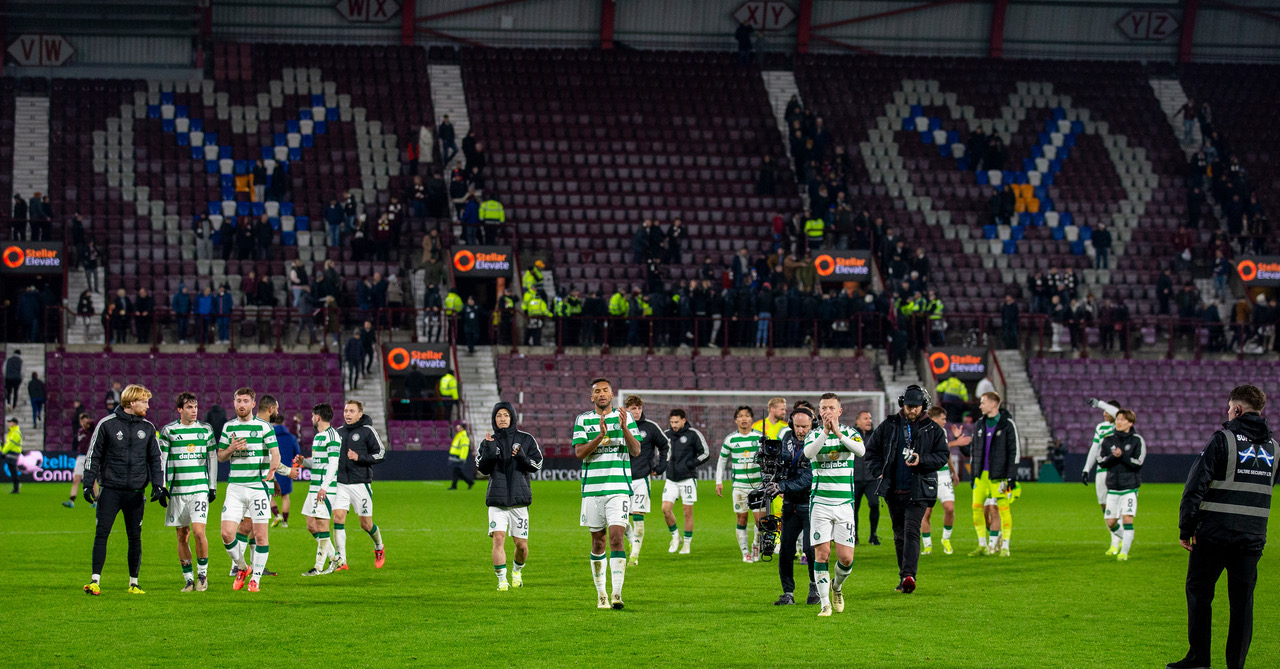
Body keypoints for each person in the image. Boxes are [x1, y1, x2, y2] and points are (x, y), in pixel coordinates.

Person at [1169, 385, 1276, 669]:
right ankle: (1235, 665)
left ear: (1238, 409)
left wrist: (1186, 527)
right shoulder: (1275, 449)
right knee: (1243, 603)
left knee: (1199, 592)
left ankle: (1199, 659)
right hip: (1251, 539)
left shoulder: (1222, 440)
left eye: (1230, 408)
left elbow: (1195, 486)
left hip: (1214, 535)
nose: (1228, 413)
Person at [81, 384, 166, 595]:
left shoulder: (147, 427)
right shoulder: (107, 424)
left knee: (135, 537)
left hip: (136, 493)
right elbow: (94, 456)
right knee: (102, 534)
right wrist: (87, 482)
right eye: (144, 401)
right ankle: (94, 581)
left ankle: (134, 583)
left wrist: (158, 485)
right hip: (110, 490)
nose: (147, 405)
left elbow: (156, 460)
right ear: (130, 402)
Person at [865, 385, 949, 593]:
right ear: (903, 404)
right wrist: (878, 472)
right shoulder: (889, 425)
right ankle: (904, 577)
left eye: (916, 407)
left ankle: (909, 576)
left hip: (918, 490)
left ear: (924, 406)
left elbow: (942, 456)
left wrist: (922, 460)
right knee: (899, 535)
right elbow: (871, 451)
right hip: (893, 490)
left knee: (912, 531)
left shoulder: (933, 429)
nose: (912, 411)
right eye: (909, 406)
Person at [572, 377, 641, 610]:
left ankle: (617, 593)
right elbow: (580, 453)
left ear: (612, 395)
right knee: (598, 543)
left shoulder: (626, 417)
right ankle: (601, 593)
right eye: (597, 391)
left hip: (619, 488)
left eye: (605, 390)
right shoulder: (582, 420)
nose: (602, 394)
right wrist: (600, 436)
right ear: (592, 397)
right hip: (592, 490)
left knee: (616, 538)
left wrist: (623, 428)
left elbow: (636, 450)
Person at [801, 394, 866, 616]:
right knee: (822, 554)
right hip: (820, 503)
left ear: (839, 411)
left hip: (845, 504)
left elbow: (861, 452)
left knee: (846, 559)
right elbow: (809, 454)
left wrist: (837, 433)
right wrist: (827, 433)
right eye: (823, 408)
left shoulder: (851, 433)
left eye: (831, 407)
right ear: (819, 412)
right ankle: (824, 604)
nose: (827, 411)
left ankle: (836, 587)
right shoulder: (814, 434)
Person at [215, 387, 281, 592]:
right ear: (233, 403)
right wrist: (231, 449)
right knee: (227, 534)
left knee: (261, 536)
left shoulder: (263, 427)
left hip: (257, 488)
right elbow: (220, 456)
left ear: (253, 404)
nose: (241, 404)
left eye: (245, 401)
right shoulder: (228, 427)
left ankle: (256, 580)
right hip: (234, 487)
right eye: (238, 401)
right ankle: (243, 567)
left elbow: (275, 453)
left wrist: (272, 470)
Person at [476, 402, 544, 591]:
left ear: (512, 417)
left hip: (519, 502)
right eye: (499, 416)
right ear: (494, 419)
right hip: (497, 501)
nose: (503, 418)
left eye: (506, 415)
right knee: (498, 538)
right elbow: (481, 468)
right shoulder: (488, 441)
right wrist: (489, 452)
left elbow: (537, 465)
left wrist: (523, 458)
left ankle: (517, 571)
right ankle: (501, 580)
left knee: (521, 545)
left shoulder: (526, 439)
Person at [157, 392, 218, 592]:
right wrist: (161, 486)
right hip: (177, 490)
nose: (194, 411)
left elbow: (212, 459)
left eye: (195, 407)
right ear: (180, 409)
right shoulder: (169, 431)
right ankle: (188, 579)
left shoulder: (205, 430)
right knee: (182, 535)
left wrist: (212, 486)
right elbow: (162, 460)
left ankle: (202, 575)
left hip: (199, 488)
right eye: (189, 407)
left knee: (199, 533)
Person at [767, 405, 817, 606]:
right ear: (791, 424)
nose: (800, 430)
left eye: (804, 426)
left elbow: (808, 478)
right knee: (786, 550)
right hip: (789, 504)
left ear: (812, 424)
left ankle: (815, 587)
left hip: (811, 503)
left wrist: (781, 486)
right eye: (797, 426)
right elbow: (781, 463)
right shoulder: (787, 437)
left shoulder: (818, 441)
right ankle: (788, 593)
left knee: (810, 548)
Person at [961, 391, 1021, 557]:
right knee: (976, 509)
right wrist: (974, 475)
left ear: (993, 404)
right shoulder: (980, 424)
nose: (980, 406)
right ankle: (982, 544)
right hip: (982, 476)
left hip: (999, 477)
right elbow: (974, 450)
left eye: (983, 402)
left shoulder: (1007, 425)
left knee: (1002, 509)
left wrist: (1011, 477)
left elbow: (1014, 452)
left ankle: (1005, 547)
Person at [332, 400, 386, 570]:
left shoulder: (367, 431)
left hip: (360, 484)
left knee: (366, 524)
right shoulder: (338, 432)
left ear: (360, 414)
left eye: (351, 411)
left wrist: (359, 457)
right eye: (346, 410)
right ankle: (342, 560)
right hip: (340, 484)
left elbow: (381, 454)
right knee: (338, 518)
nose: (347, 414)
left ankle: (379, 547)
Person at [622, 396, 670, 565]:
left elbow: (665, 445)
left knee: (638, 517)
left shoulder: (650, 427)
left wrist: (661, 466)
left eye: (638, 408)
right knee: (621, 520)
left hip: (642, 479)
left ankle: (635, 555)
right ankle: (631, 541)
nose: (636, 411)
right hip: (621, 479)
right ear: (626, 409)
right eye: (633, 408)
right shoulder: (620, 426)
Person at [296, 403, 341, 576]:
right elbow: (317, 462)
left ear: (318, 417)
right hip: (314, 488)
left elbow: (333, 464)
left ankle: (318, 567)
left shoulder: (333, 437)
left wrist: (324, 487)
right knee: (311, 525)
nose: (311, 418)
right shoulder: (319, 437)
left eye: (313, 415)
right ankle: (336, 558)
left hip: (324, 489)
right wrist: (304, 462)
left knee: (322, 526)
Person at [716, 406, 765, 562]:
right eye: (740, 416)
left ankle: (756, 545)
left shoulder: (760, 437)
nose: (744, 419)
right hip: (739, 487)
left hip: (758, 486)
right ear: (735, 420)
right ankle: (745, 553)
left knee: (760, 521)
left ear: (752, 419)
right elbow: (722, 460)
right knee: (742, 519)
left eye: (747, 415)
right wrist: (719, 481)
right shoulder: (730, 439)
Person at [661, 408, 709, 558]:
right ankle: (675, 537)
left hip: (687, 478)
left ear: (683, 420)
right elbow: (660, 452)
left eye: (676, 422)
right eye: (672, 422)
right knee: (665, 509)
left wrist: (690, 464)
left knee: (687, 512)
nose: (674, 425)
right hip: (671, 479)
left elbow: (705, 453)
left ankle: (687, 543)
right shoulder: (666, 435)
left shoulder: (693, 434)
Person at [1099, 409, 1144, 561]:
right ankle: (1128, 538)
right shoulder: (1108, 440)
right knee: (1110, 522)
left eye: (1123, 419)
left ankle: (1123, 552)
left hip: (1129, 488)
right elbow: (1100, 460)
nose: (1119, 421)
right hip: (1112, 488)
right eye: (1118, 418)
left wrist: (1123, 456)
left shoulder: (1137, 440)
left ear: (1130, 423)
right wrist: (1113, 456)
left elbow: (1138, 463)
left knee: (1127, 519)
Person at [922, 407, 963, 555]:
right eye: (943, 419)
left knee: (950, 508)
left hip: (944, 474)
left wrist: (953, 471)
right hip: (928, 474)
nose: (945, 422)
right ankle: (927, 544)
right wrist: (956, 442)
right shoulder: (923, 432)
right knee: (926, 512)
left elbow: (946, 453)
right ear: (934, 419)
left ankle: (946, 539)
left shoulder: (943, 432)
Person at [1082, 399, 1121, 544]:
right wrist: (1087, 468)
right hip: (1101, 470)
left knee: (1117, 504)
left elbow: (1117, 413)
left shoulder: (1120, 425)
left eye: (1107, 411)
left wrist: (1100, 403)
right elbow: (1094, 448)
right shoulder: (1101, 428)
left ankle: (1116, 542)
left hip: (1116, 470)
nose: (1104, 414)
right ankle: (1116, 538)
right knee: (1104, 505)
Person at [851, 410, 881, 545]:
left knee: (875, 505)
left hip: (871, 479)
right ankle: (854, 536)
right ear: (858, 421)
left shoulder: (876, 436)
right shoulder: (850, 435)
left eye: (870, 418)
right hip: (854, 478)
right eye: (865, 418)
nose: (869, 420)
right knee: (853, 509)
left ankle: (873, 535)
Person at [270, 414, 300, 528]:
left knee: (267, 494)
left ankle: (277, 515)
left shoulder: (269, 436)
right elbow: (297, 452)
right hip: (286, 469)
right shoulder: (291, 437)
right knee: (285, 496)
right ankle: (285, 522)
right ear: (283, 423)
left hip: (272, 468)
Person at [64, 413, 96, 508]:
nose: (82, 423)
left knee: (92, 480)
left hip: (89, 456)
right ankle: (71, 500)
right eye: (81, 421)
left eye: (84, 421)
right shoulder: (80, 431)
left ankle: (96, 500)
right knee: (76, 479)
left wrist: (87, 422)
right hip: (81, 456)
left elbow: (93, 423)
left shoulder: (91, 430)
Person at [448, 423, 474, 490]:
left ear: (463, 428)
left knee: (456, 471)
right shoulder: (459, 435)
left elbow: (464, 448)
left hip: (459, 456)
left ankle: (454, 485)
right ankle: (469, 482)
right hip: (456, 455)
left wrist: (463, 458)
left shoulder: (463, 437)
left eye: (460, 428)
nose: (458, 429)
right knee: (458, 472)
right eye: (458, 428)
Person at [3, 417, 20, 494]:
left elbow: (10, 444)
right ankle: (16, 487)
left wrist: (3, 451)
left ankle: (16, 487)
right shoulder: (13, 432)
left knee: (13, 470)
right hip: (11, 452)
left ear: (14, 423)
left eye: (11, 422)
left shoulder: (15, 433)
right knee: (12, 470)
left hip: (13, 453)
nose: (9, 424)